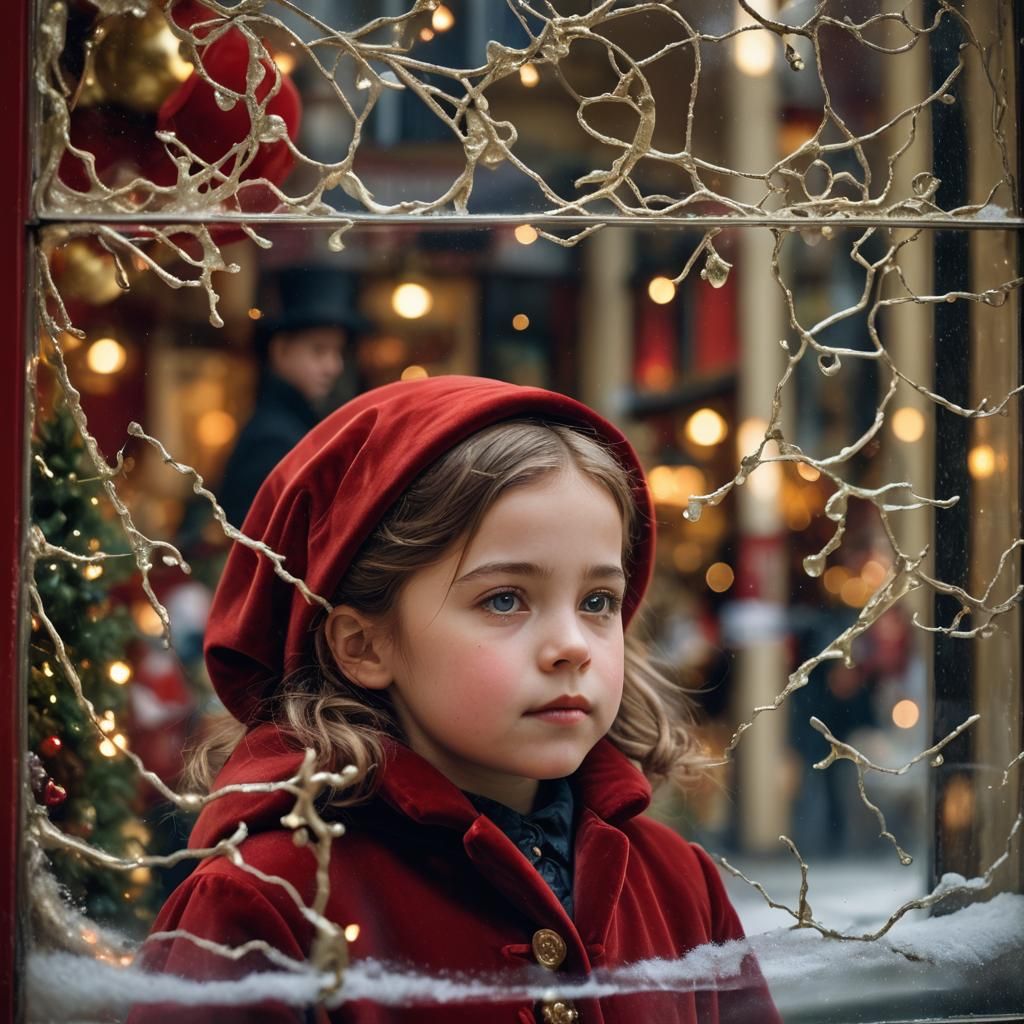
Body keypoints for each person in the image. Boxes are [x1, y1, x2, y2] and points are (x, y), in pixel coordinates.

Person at [131, 376, 780, 1024]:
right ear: (365, 645)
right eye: (504, 599)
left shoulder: (676, 884)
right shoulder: (270, 899)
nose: (572, 646)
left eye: (597, 602)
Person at [219, 265, 363, 526]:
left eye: (338, 351)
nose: (334, 366)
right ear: (281, 351)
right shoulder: (273, 440)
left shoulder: (291, 427)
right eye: (319, 351)